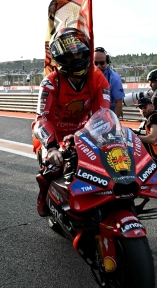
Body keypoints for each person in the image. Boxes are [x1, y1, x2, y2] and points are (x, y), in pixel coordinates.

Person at [32, 27, 111, 217]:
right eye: (69, 54)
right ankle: (44, 195)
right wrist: (51, 147)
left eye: (78, 51)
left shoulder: (97, 78)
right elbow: (41, 118)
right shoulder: (50, 82)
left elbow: (104, 113)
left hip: (81, 132)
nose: (75, 56)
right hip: (52, 135)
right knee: (54, 167)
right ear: (59, 57)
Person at [94, 46, 124, 117]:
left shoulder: (114, 78)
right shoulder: (86, 75)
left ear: (107, 61)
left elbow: (119, 102)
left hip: (108, 118)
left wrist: (114, 123)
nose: (98, 66)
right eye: (95, 63)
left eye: (101, 63)